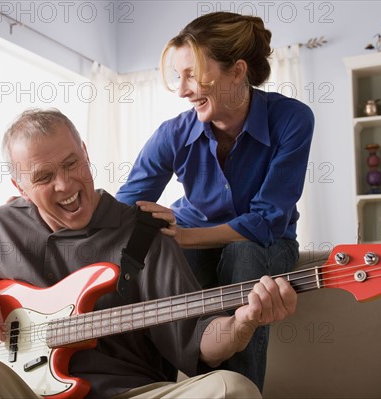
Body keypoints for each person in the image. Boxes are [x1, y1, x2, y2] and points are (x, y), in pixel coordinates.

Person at [0, 108, 297, 399]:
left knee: (232, 389)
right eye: (44, 177)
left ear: (86, 152)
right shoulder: (2, 225)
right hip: (25, 392)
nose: (64, 184)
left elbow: (199, 339)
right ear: (21, 186)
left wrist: (244, 322)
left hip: (131, 392)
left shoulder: (144, 232)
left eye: (71, 163)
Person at [115, 12, 315, 391]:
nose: (182, 90)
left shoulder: (292, 119)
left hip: (266, 245)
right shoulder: (172, 133)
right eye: (179, 75)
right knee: (160, 260)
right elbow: (122, 208)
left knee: (244, 256)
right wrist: (38, 210)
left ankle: (239, 393)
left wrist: (184, 237)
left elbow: (267, 221)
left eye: (193, 75)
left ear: (237, 71)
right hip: (193, 238)